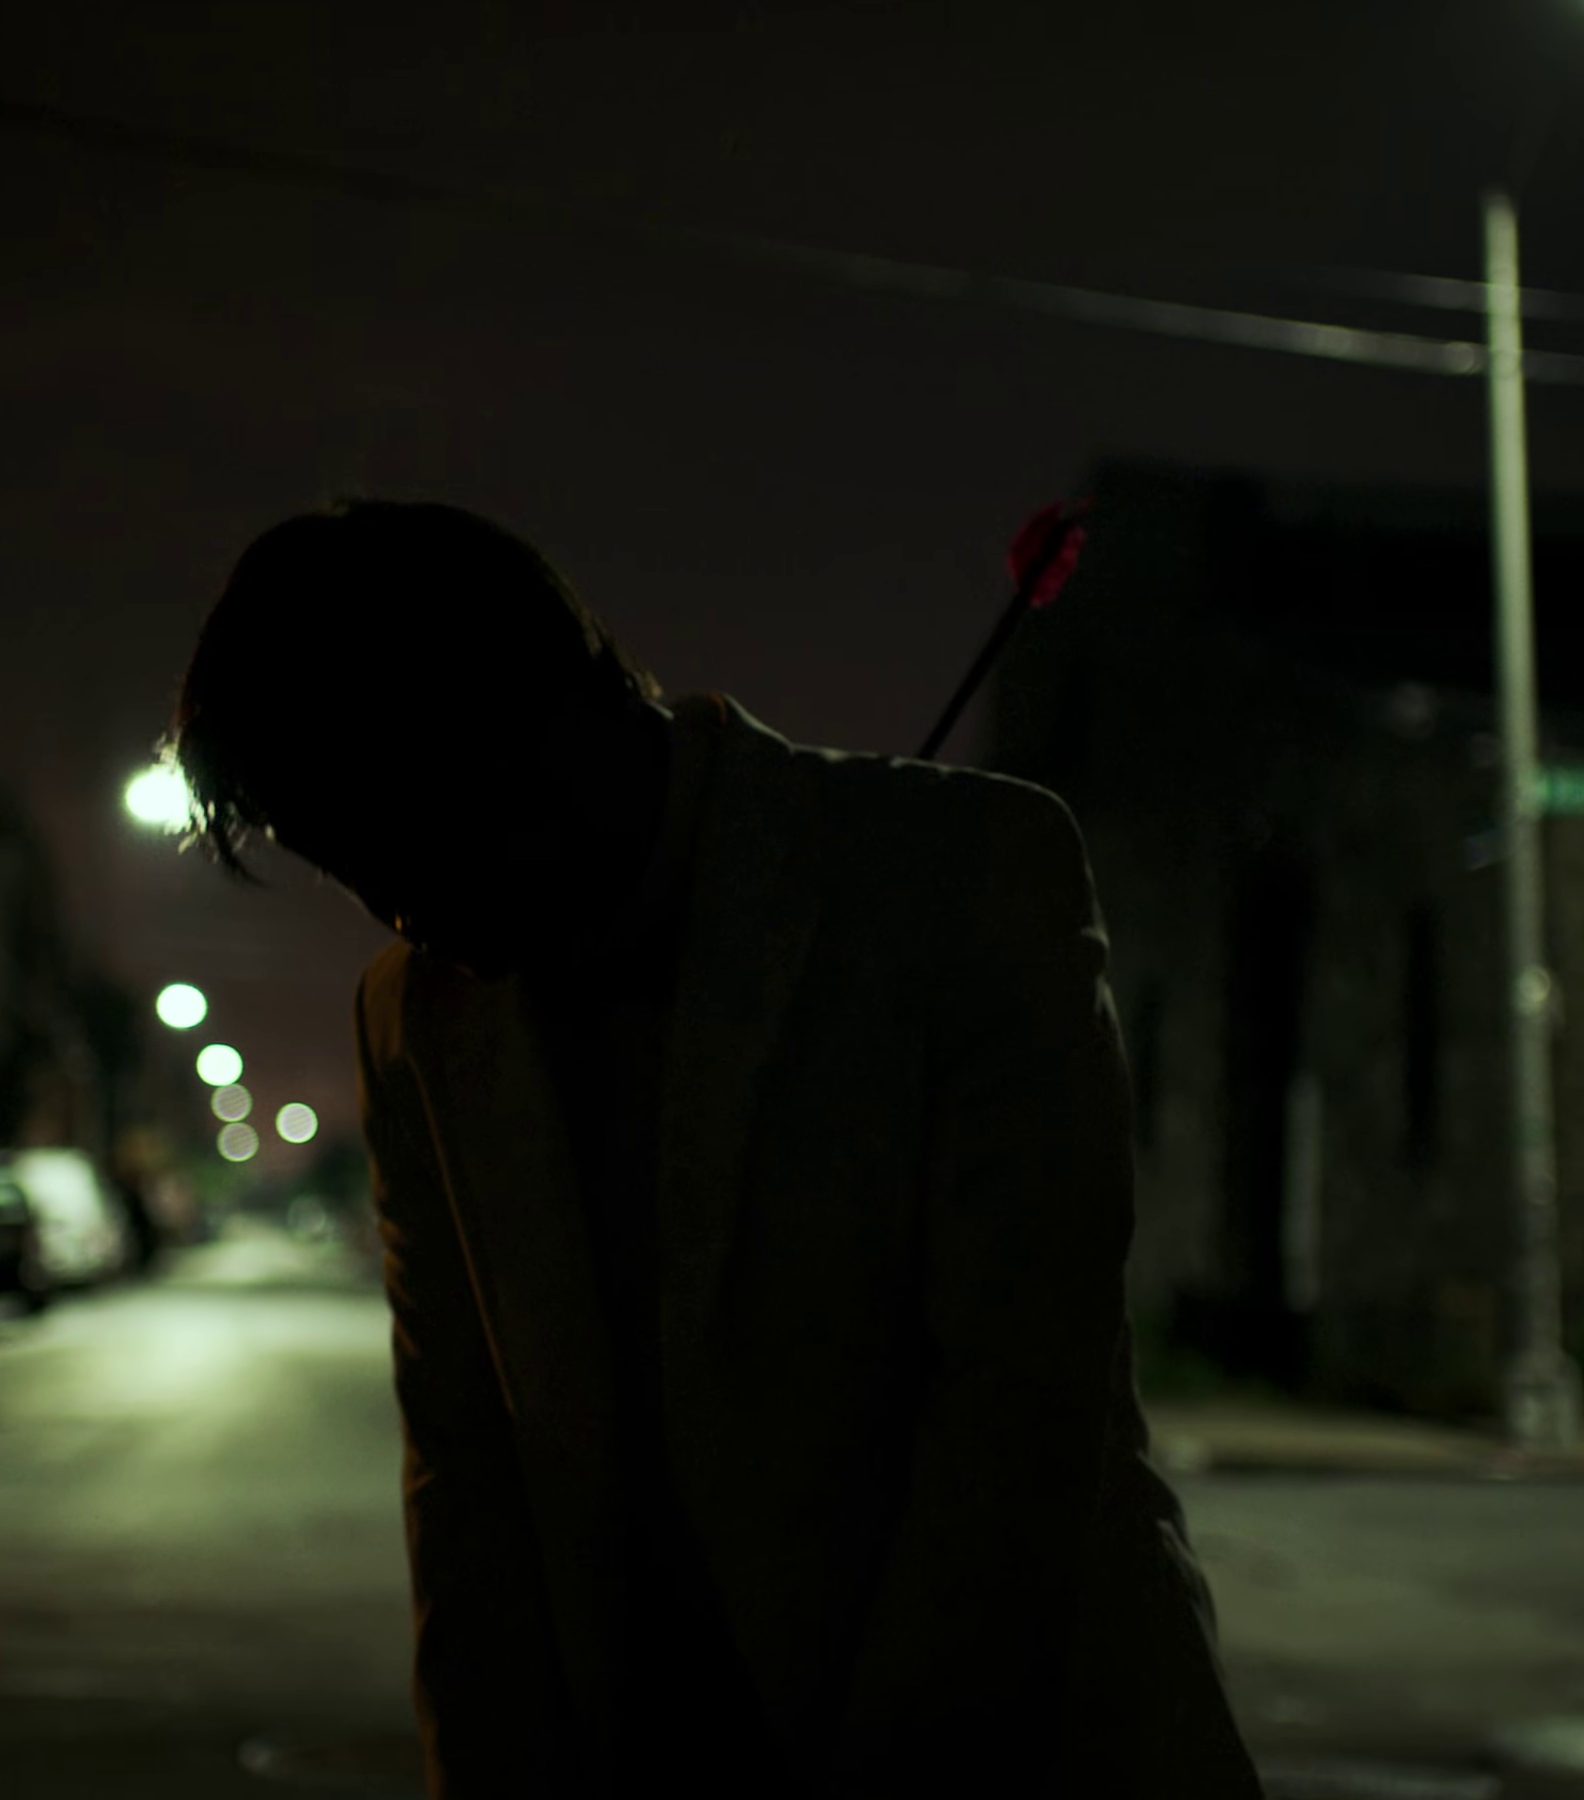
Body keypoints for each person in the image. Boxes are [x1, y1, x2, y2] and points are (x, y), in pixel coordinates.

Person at [172, 500, 1262, 1800]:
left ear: (548, 716)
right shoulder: (416, 1014)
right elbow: (469, 1480)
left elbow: (1021, 1415)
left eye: (407, 825)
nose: (396, 905)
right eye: (346, 865)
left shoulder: (960, 877)